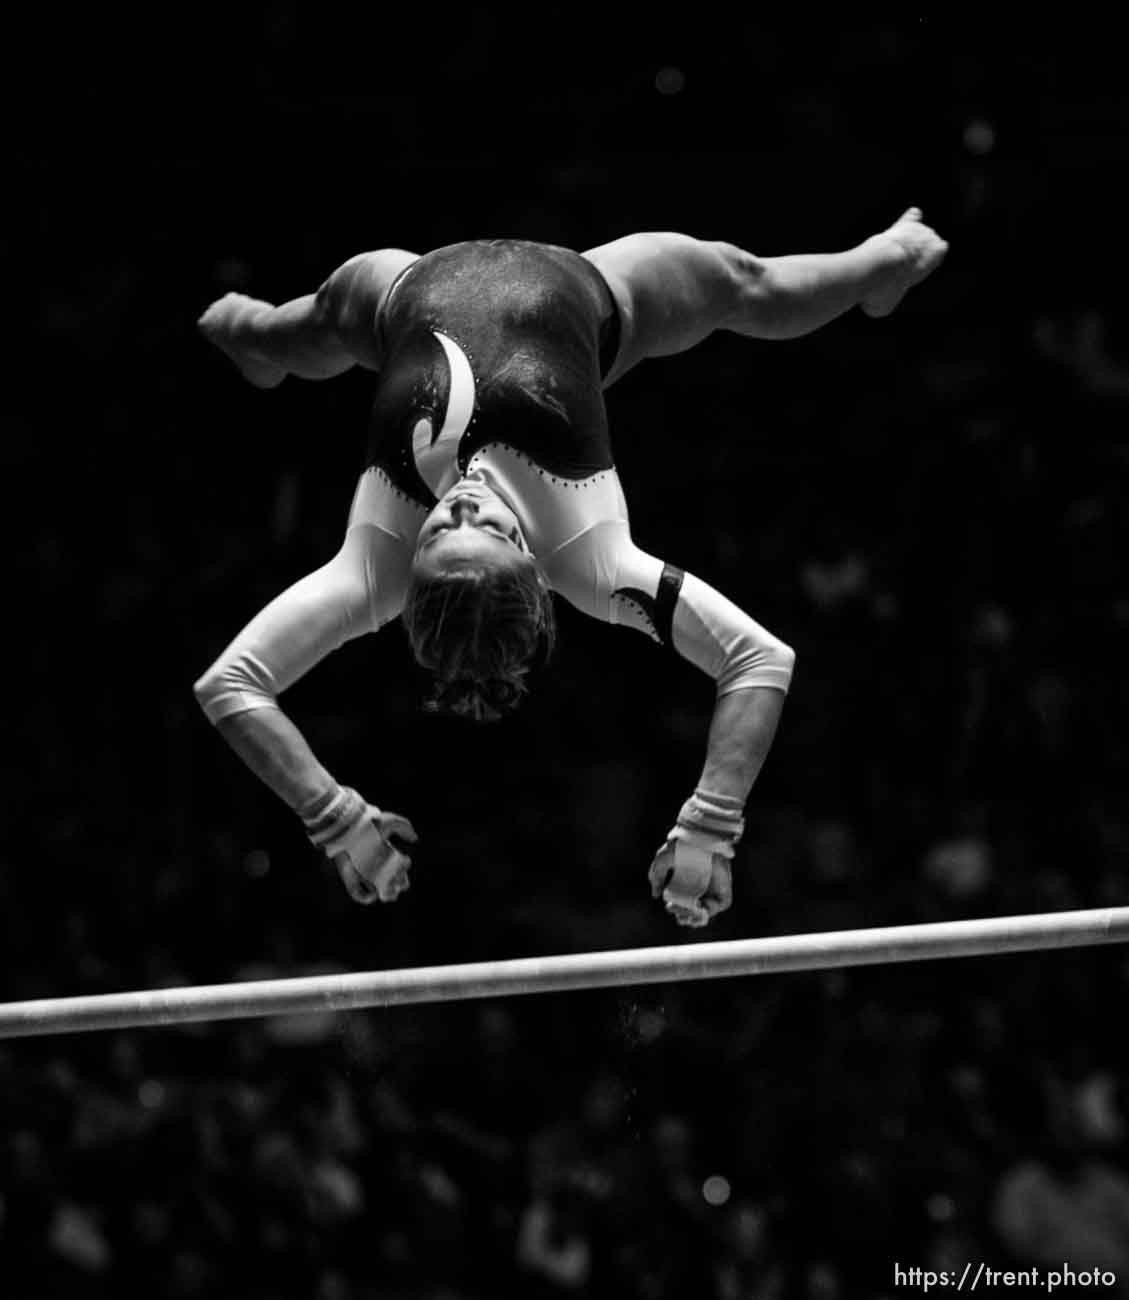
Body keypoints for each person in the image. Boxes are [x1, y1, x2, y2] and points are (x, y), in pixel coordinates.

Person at [194, 211, 948, 926]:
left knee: (274, 331)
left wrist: (333, 817)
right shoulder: (592, 561)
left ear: (409, 568)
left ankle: (250, 339)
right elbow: (759, 658)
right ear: (529, 557)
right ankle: (880, 266)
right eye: (483, 525)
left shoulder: (372, 567)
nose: (464, 499)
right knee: (742, 280)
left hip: (398, 294)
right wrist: (710, 824)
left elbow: (228, 685)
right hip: (595, 300)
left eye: (437, 531)